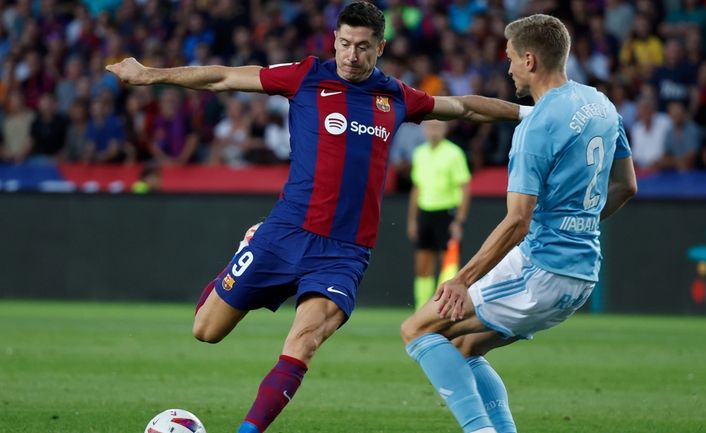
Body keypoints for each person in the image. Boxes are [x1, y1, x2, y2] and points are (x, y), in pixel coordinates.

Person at [105, 3, 531, 433]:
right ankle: (244, 251)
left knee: (303, 342)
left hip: (344, 253)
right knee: (206, 330)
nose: (351, 55)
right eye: (345, 44)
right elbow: (222, 76)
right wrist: (150, 74)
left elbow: (464, 108)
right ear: (335, 40)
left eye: (363, 47)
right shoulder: (307, 76)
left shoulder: (396, 97)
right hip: (284, 233)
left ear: (380, 47)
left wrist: (529, 114)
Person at [400, 14, 637, 433]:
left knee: (417, 329)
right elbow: (626, 186)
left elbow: (517, 222)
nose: (506, 67)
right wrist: (579, 224)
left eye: (509, 58)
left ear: (529, 60)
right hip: (582, 273)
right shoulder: (600, 103)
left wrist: (461, 279)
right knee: (464, 346)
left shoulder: (535, 131)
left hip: (543, 269)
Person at [408, 119, 471, 310]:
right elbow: (416, 188)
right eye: (430, 126)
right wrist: (412, 220)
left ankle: (442, 308)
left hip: (447, 213)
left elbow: (465, 188)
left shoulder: (454, 153)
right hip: (425, 213)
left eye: (437, 126)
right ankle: (421, 308)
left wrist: (459, 220)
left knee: (448, 265)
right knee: (422, 264)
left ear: (445, 129)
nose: (433, 130)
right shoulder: (419, 153)